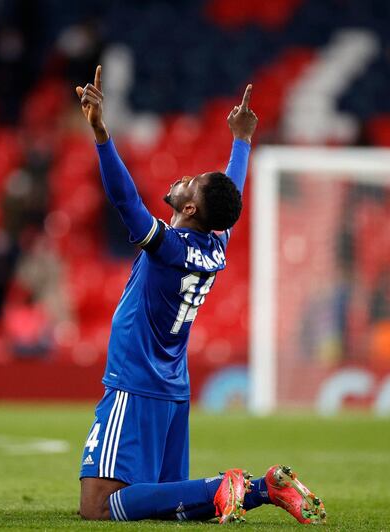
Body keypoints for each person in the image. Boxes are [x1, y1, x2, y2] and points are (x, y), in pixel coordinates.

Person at [75, 65, 326, 524]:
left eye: (189, 183)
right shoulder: (216, 243)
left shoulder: (167, 247)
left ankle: (220, 485)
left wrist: (101, 134)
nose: (183, 179)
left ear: (189, 208)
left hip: (136, 382)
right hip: (173, 385)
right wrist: (242, 141)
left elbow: (125, 200)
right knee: (172, 507)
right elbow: (230, 192)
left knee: (98, 507)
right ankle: (260, 489)